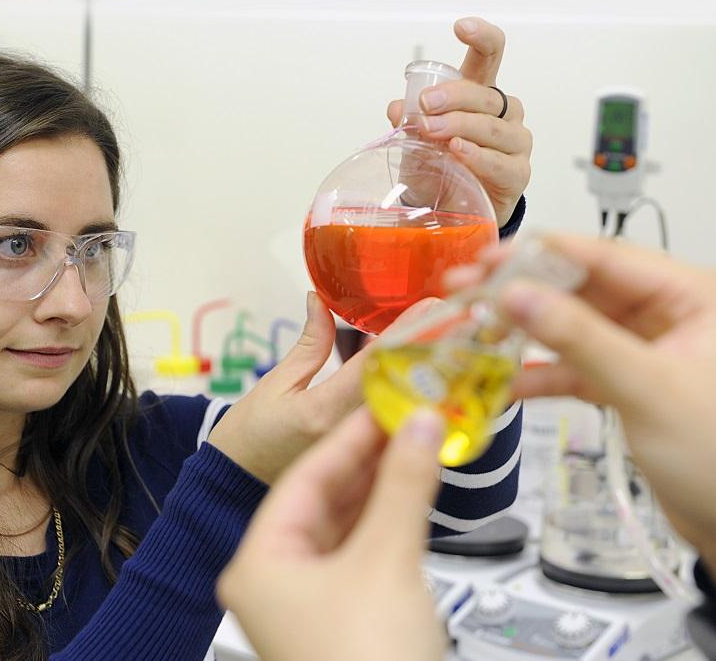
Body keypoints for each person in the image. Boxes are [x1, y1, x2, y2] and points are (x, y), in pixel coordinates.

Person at [0, 18, 530, 661]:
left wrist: (468, 260)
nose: (72, 303)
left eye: (92, 248)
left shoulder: (141, 451)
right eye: (11, 246)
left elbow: (463, 496)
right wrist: (228, 487)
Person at [218, 232, 716, 660]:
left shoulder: (169, 432)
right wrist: (225, 483)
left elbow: (465, 503)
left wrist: (470, 235)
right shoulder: (213, 445)